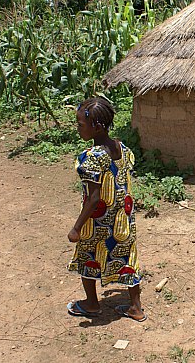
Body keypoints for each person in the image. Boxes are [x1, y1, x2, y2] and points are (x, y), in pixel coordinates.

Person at [66, 97, 146, 322]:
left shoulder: (92, 158)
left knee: (88, 256)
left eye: (80, 124)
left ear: (97, 126)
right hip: (122, 221)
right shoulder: (124, 149)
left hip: (98, 222)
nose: (78, 128)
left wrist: (76, 227)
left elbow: (93, 199)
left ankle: (91, 304)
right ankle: (136, 308)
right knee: (129, 260)